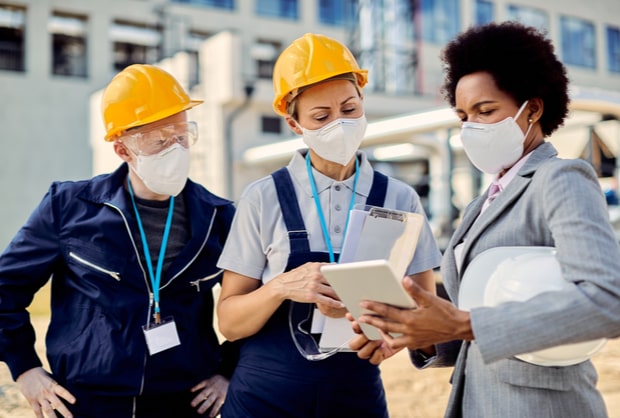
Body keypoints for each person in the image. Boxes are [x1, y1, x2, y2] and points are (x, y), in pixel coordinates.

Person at [350, 21, 620, 417]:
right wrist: (418, 334)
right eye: (463, 116)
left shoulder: (561, 179)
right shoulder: (482, 204)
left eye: (486, 110)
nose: (472, 126)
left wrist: (462, 324)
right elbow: (471, 317)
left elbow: (607, 302)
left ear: (534, 108)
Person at [215, 33, 442, 417]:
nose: (339, 123)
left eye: (349, 109)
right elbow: (230, 323)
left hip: (354, 394)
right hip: (265, 397)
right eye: (321, 117)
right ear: (293, 122)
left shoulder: (400, 199)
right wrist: (282, 287)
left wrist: (398, 337)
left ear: (363, 103)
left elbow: (427, 312)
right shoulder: (263, 197)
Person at [0, 64, 237, 418]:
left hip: (185, 402)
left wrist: (227, 371)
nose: (176, 149)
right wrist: (26, 369)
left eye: (183, 136)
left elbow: (257, 303)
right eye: (160, 140)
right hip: (85, 402)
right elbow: (5, 288)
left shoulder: (219, 217)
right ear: (122, 148)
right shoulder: (68, 207)